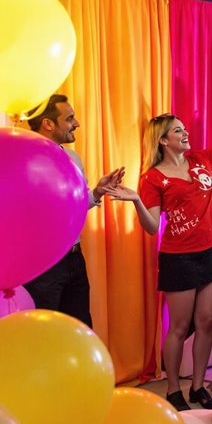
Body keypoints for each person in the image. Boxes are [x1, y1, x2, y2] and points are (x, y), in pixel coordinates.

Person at [109, 77, 212, 411]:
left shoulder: (200, 160)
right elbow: (152, 228)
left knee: (205, 321)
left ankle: (197, 386)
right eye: (177, 131)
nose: (185, 133)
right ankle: (174, 389)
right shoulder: (152, 178)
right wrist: (136, 200)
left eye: (183, 129)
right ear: (163, 140)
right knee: (178, 327)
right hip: (178, 257)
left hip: (209, 252)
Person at [23, 95, 125, 327]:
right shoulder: (24, 158)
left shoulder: (72, 157)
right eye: (69, 118)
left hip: (74, 257)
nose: (77, 123)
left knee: (79, 328)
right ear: (48, 124)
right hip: (42, 263)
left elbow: (75, 203)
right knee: (44, 332)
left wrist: (97, 192)